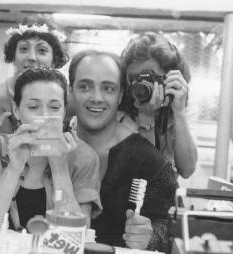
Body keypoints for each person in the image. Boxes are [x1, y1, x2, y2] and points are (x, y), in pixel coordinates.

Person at [0, 66, 100, 228]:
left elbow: (77, 234)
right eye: (33, 107)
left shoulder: (83, 158)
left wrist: (60, 171)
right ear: (16, 111)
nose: (44, 115)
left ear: (64, 112)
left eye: (54, 107)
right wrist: (13, 169)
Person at [68, 50, 178, 251]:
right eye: (85, 86)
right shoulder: (49, 148)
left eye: (108, 88)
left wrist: (150, 236)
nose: (96, 97)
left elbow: (169, 228)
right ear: (70, 91)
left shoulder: (149, 161)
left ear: (120, 96)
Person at [0, 16, 69, 172]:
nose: (32, 57)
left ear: (54, 59)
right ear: (13, 56)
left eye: (41, 50)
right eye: (24, 49)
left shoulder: (67, 97)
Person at [120, 32, 198, 179]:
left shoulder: (180, 102)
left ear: (168, 78)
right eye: (134, 79)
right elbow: (143, 175)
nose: (141, 86)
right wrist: (145, 118)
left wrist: (179, 113)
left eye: (150, 78)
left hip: (164, 196)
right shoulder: (120, 104)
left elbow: (187, 169)